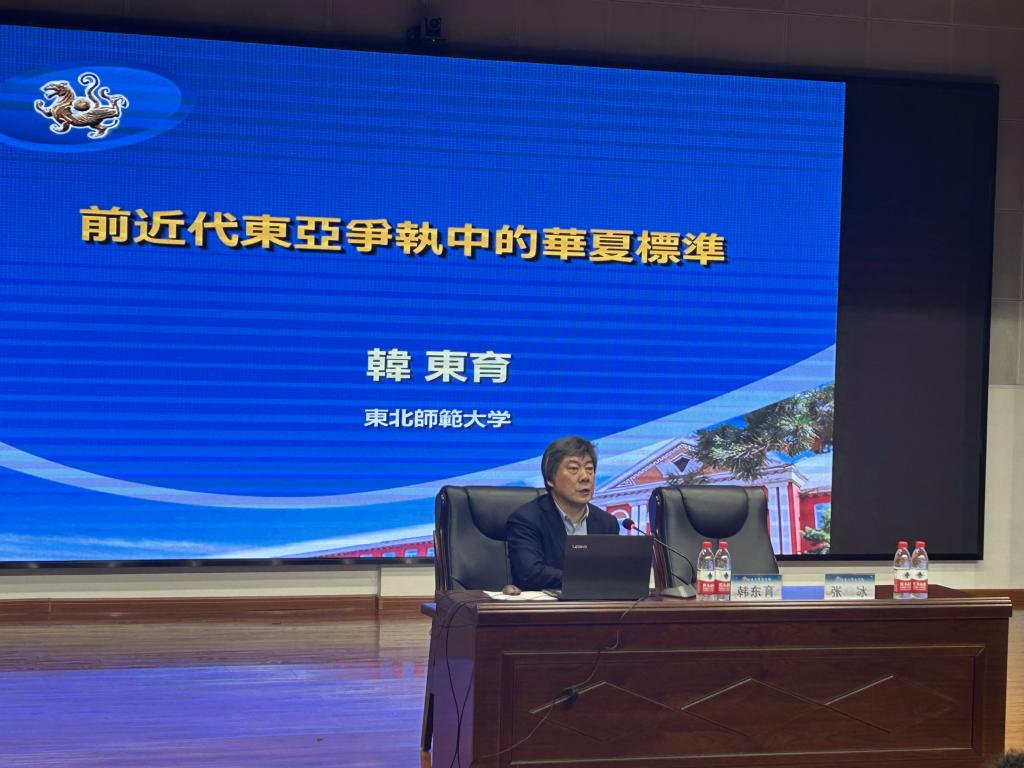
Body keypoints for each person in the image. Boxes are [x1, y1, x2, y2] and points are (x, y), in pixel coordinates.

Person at [506, 436, 620, 590]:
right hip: (546, 604)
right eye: (573, 469)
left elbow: (613, 574)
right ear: (550, 479)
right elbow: (530, 574)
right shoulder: (526, 520)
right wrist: (588, 579)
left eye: (589, 469)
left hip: (595, 604)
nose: (585, 477)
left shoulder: (607, 523)